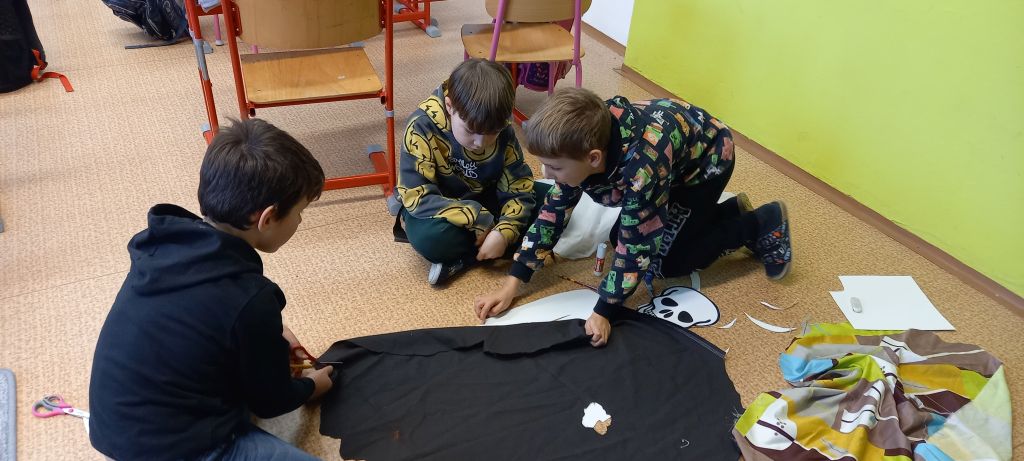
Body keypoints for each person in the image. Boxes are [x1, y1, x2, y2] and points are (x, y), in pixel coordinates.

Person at [89, 119, 334, 460]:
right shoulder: (251, 299)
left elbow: (199, 323)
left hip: (113, 428)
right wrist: (312, 386)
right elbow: (271, 402)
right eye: (299, 213)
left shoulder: (162, 245)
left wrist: (269, 339)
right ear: (267, 218)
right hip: (176, 449)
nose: (300, 222)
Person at [475, 88, 792, 346]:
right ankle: (727, 212)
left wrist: (605, 310)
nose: (546, 174)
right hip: (671, 161)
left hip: (706, 163)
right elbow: (552, 214)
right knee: (617, 238)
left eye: (554, 167)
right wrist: (512, 283)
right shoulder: (578, 144)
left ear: (593, 158)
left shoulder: (642, 172)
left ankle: (759, 223)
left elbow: (638, 246)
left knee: (667, 262)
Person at [389, 58, 550, 285]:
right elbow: (417, 196)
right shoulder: (421, 126)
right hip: (440, 207)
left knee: (552, 203)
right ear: (449, 106)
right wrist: (479, 218)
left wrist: (505, 231)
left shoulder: (501, 125)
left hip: (487, 197)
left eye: (492, 133)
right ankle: (495, 249)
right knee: (429, 239)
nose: (480, 143)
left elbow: (519, 187)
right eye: (470, 131)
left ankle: (466, 258)